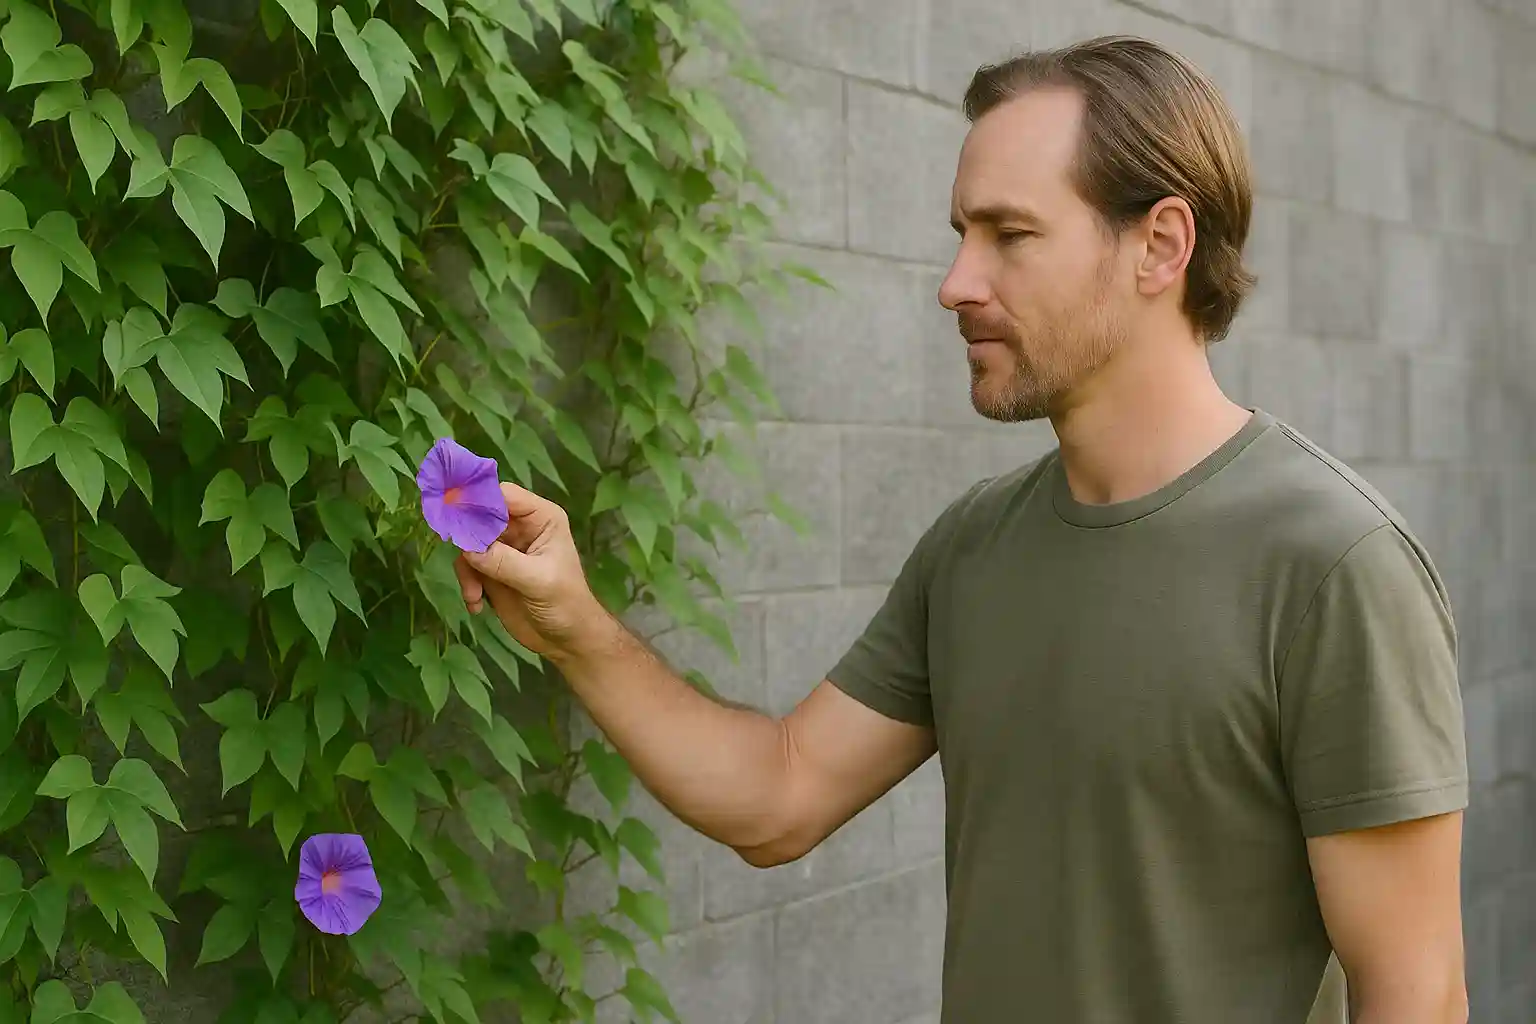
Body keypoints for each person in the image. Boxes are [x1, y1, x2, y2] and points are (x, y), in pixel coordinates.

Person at [451, 35, 1470, 1024]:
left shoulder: (1332, 564)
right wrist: (577, 625)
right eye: (960, 234)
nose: (957, 283)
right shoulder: (974, 546)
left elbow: (1416, 995)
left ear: (1160, 244)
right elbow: (778, 794)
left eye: (1010, 236)